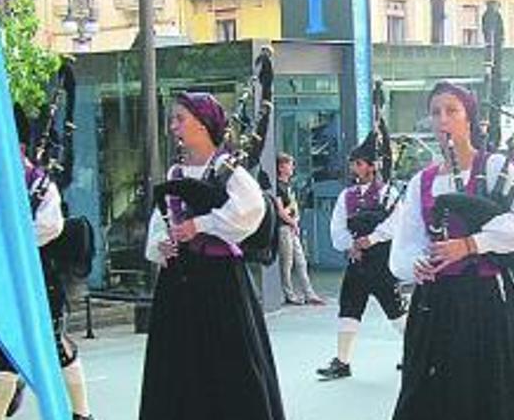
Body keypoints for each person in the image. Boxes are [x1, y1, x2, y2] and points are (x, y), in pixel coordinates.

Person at [389, 82, 514, 420]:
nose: (442, 120)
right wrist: (418, 264)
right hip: (435, 304)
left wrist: (469, 245)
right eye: (436, 112)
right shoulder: (421, 182)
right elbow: (402, 251)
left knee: (493, 394)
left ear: (469, 120)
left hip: (487, 300)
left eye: (452, 111)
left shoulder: (495, 167)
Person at [140, 92, 284, 420]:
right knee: (177, 373)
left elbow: (251, 211)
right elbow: (158, 225)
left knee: (230, 370)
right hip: (178, 284)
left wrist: (201, 225)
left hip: (220, 284)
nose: (173, 126)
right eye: (172, 119)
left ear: (203, 125)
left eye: (180, 118)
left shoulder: (225, 168)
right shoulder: (176, 174)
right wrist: (162, 244)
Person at [0, 107, 94, 420]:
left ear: (18, 146)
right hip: (3, 276)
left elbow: (51, 227)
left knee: (55, 344)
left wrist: (10, 240)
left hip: (39, 275)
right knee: (3, 343)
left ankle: (81, 413)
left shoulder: (39, 182)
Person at [316, 132, 406, 380]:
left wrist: (372, 238)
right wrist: (350, 245)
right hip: (357, 261)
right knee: (349, 308)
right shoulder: (348, 195)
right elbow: (337, 227)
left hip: (382, 261)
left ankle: (414, 352)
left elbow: (397, 223)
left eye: (358, 163)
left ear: (371, 165)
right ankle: (342, 362)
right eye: (353, 164)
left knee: (395, 311)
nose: (354, 168)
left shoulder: (389, 192)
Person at [275, 153, 325, 305]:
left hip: (292, 227)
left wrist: (295, 221)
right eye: (290, 164)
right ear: (281, 167)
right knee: (287, 263)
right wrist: (292, 222)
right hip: (284, 228)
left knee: (301, 261)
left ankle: (309, 293)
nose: (292, 168)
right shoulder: (278, 186)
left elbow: (292, 206)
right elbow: (280, 210)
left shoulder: (288, 185)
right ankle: (289, 294)